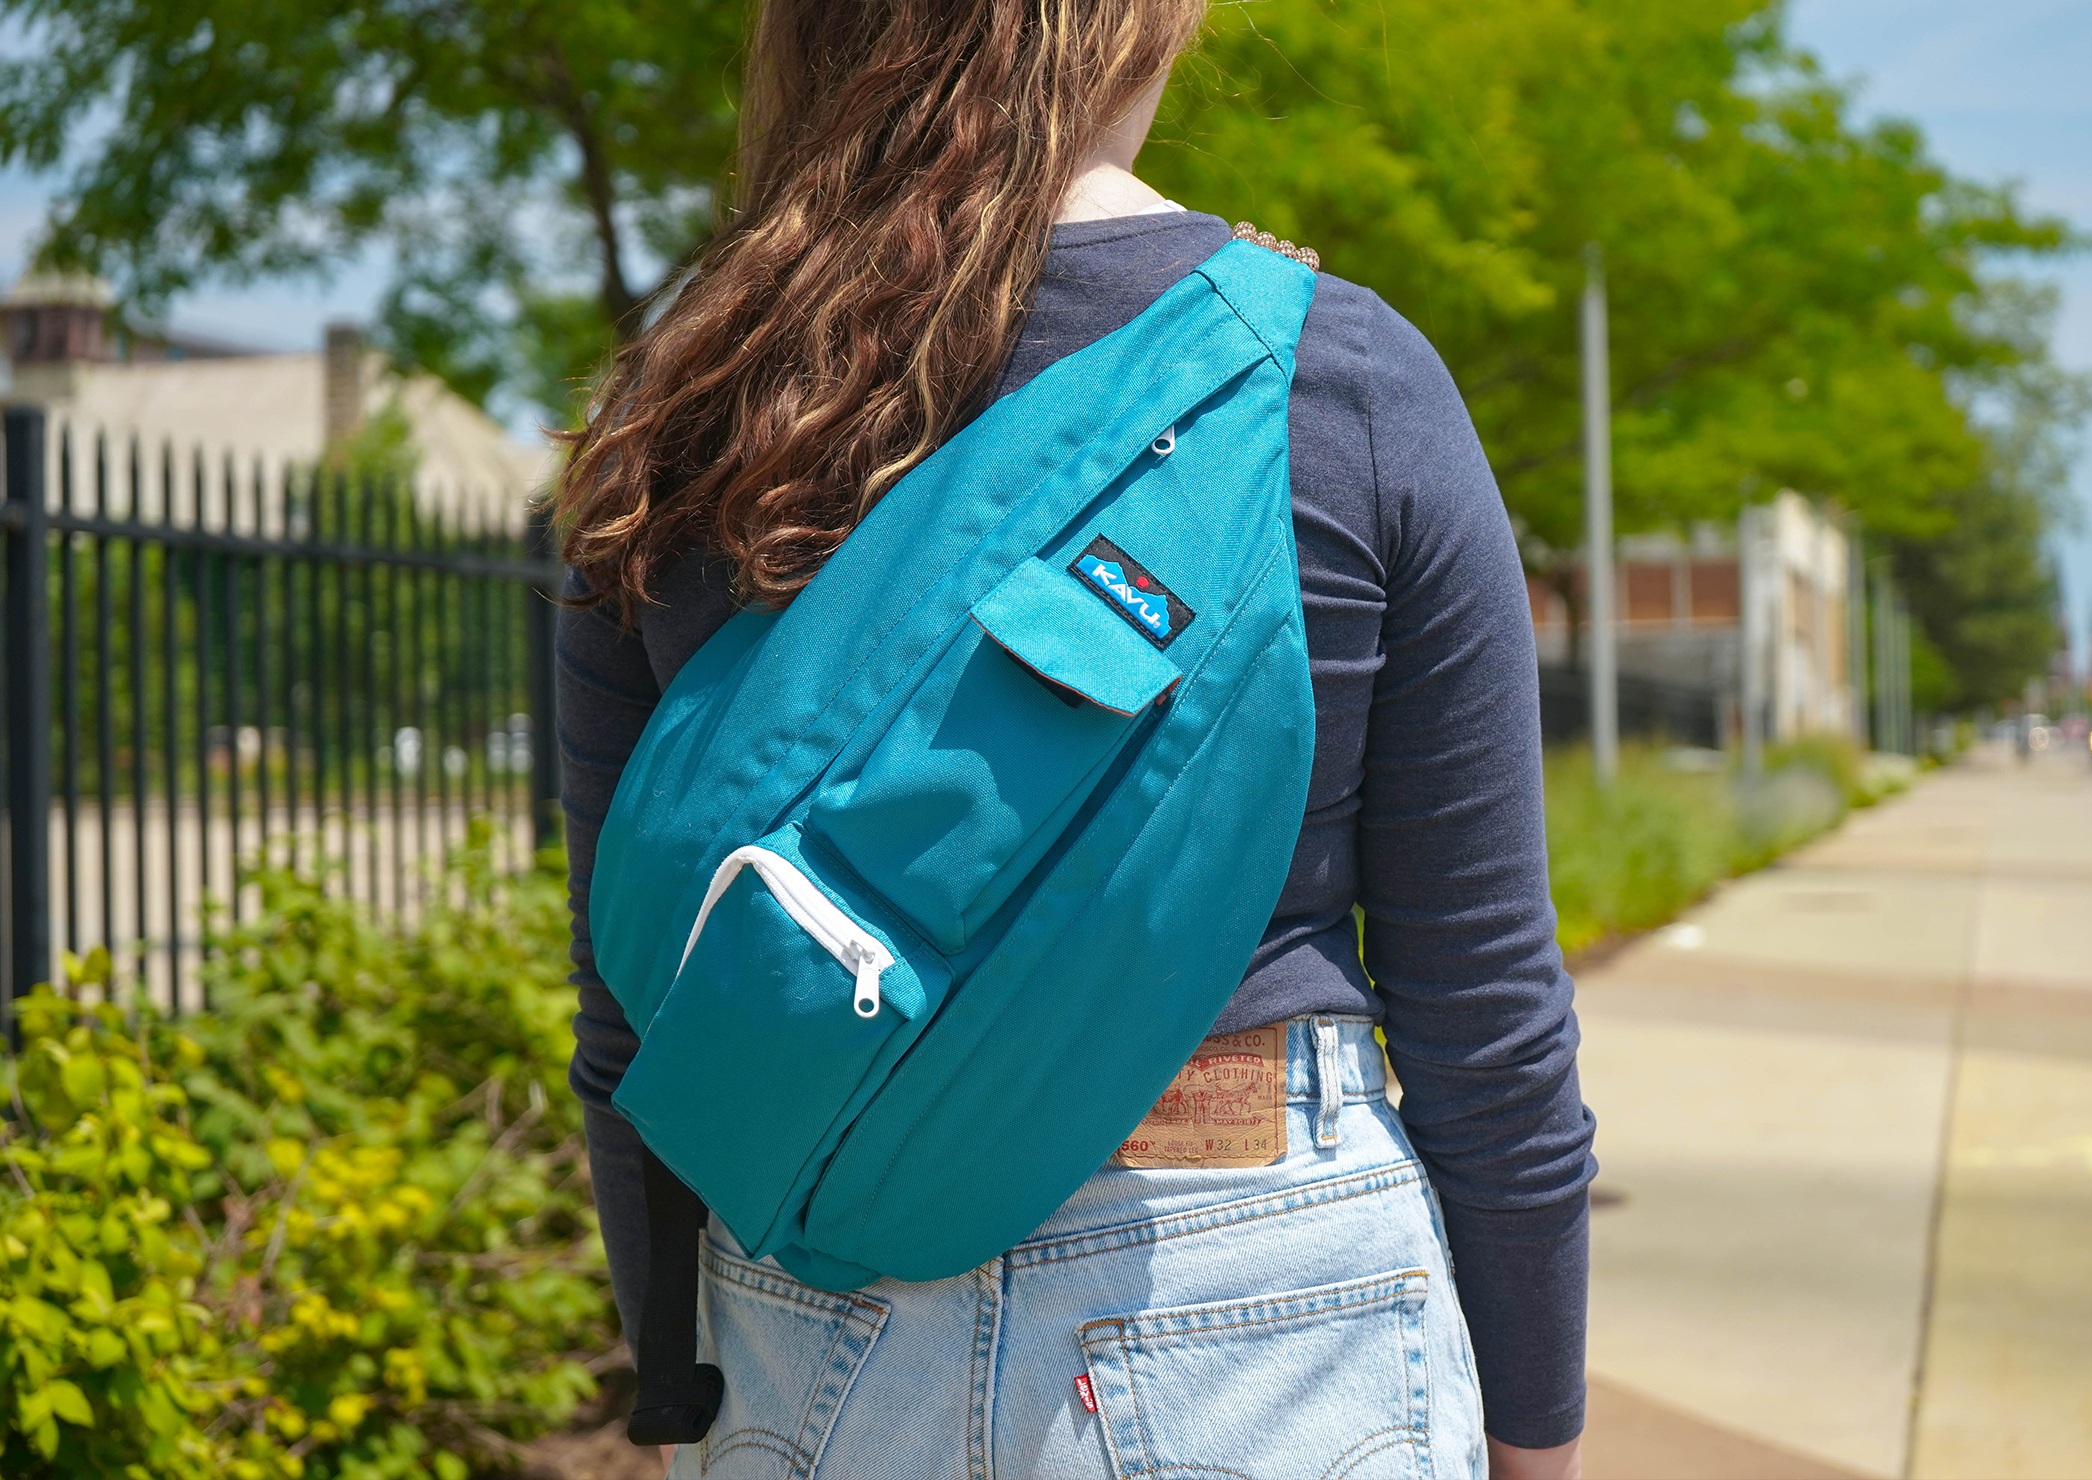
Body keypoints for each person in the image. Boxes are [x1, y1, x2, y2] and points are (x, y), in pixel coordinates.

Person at [552, 1, 1595, 1476]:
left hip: (809, 1298)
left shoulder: (685, 409)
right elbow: (1486, 1014)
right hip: (1260, 1297)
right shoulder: (1337, 383)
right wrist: (1537, 1428)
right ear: (1161, 23)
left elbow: (638, 1019)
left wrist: (677, 1389)